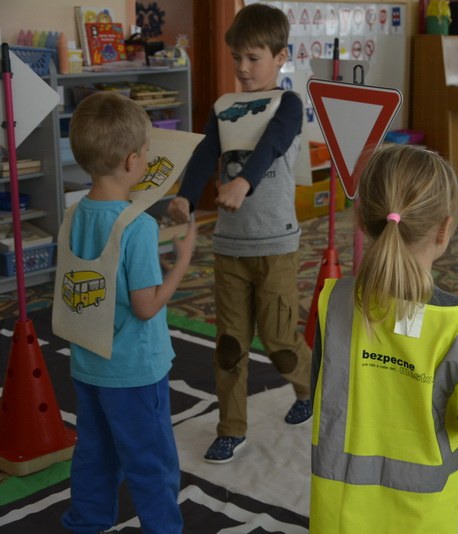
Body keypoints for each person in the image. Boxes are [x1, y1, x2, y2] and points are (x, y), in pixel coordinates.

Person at [309, 144, 458, 533]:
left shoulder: (334, 303)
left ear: (362, 219)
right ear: (445, 228)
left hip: (338, 516)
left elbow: (322, 391)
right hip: (422, 519)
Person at [167, 3, 312, 464]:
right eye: (237, 58)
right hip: (229, 248)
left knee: (279, 341)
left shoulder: (288, 105)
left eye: (253, 58)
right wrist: (187, 198)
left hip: (275, 245)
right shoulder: (223, 108)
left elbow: (273, 143)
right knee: (230, 344)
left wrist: (244, 182)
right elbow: (205, 152)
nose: (243, 68)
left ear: (280, 57)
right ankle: (231, 427)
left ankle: (310, 388)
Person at [60, 91, 196, 533]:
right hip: (134, 370)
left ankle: (86, 522)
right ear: (132, 161)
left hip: (88, 363)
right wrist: (181, 264)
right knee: (151, 460)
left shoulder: (73, 214)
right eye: (147, 153)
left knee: (94, 453)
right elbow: (145, 305)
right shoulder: (139, 226)